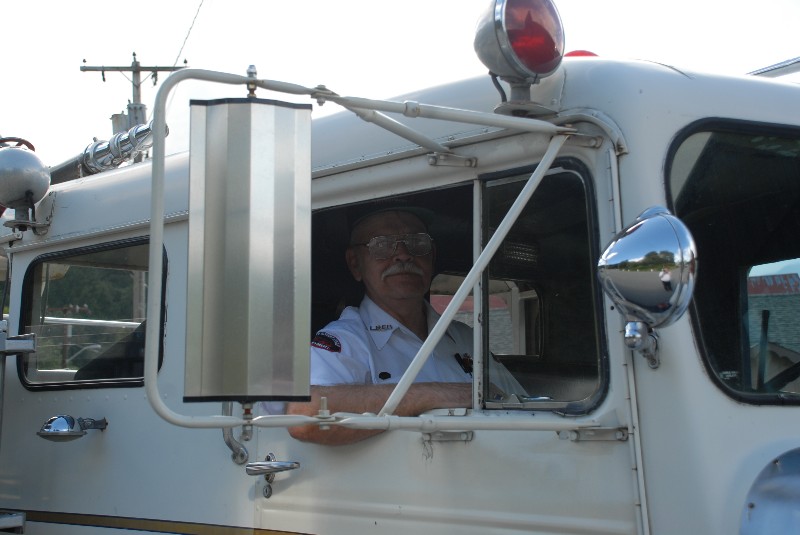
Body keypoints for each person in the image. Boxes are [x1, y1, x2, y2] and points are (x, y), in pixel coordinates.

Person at [287, 207, 524, 446]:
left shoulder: (465, 338)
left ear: (432, 256)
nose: (403, 254)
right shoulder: (346, 341)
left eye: (417, 243)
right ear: (355, 264)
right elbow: (304, 415)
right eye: (382, 245)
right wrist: (445, 394)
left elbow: (520, 404)